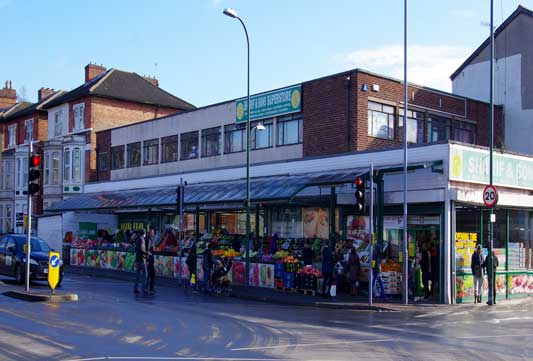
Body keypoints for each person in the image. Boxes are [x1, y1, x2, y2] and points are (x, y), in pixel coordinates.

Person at [134, 230, 148, 294]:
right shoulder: (142, 239)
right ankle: (144, 289)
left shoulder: (137, 239)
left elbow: (136, 249)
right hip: (142, 259)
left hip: (137, 259)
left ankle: (136, 288)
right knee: (145, 274)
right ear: (144, 234)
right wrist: (147, 253)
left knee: (138, 275)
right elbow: (142, 249)